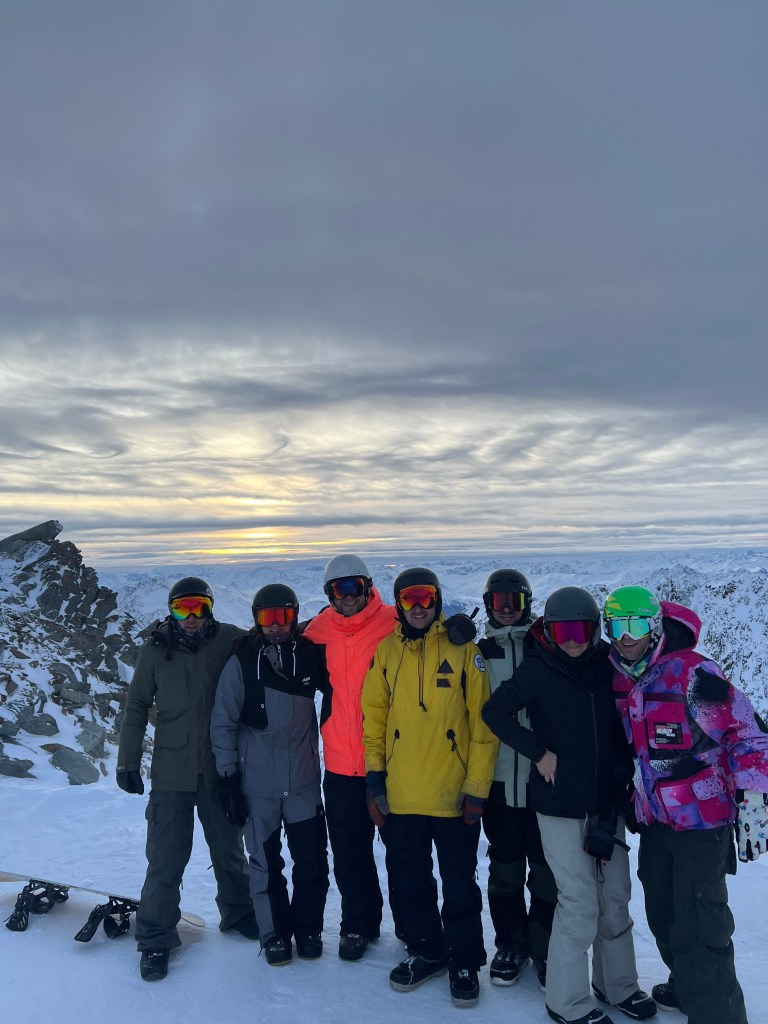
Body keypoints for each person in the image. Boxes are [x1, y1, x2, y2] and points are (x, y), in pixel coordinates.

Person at [483, 586, 656, 1024]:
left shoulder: (607, 665)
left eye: (581, 630)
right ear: (550, 632)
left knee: (614, 898)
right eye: (563, 632)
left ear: (595, 629)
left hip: (606, 803)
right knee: (578, 902)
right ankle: (567, 1002)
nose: (573, 641)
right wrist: (537, 753)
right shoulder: (538, 668)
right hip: (558, 806)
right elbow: (495, 712)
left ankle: (617, 985)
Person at [603, 586, 768, 1024]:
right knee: (663, 913)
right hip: (656, 820)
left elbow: (748, 734)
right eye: (617, 626)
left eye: (637, 624)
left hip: (703, 823)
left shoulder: (692, 674)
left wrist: (753, 797)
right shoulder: (619, 677)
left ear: (655, 626)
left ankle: (718, 1013)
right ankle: (687, 984)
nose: (626, 636)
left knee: (701, 922)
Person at [362, 567, 498, 1008]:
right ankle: (426, 950)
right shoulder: (387, 652)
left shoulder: (463, 651)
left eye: (425, 598)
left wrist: (477, 787)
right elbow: (374, 719)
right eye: (409, 599)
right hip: (402, 793)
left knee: (459, 883)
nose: (418, 608)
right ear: (398, 604)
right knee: (411, 880)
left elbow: (484, 727)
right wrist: (375, 777)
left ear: (437, 600)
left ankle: (464, 960)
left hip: (453, 794)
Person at [116, 576, 256, 982]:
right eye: (182, 608)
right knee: (166, 858)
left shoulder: (230, 640)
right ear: (171, 611)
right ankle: (155, 937)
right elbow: (137, 705)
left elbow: (273, 634)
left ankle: (239, 913)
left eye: (198, 607)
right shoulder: (155, 649)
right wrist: (127, 762)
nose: (191, 617)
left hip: (219, 768)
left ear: (209, 608)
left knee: (229, 850)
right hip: (170, 771)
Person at [211, 583, 330, 966]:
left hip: (303, 782)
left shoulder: (310, 654)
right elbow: (223, 722)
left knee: (311, 861)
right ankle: (274, 933)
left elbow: (351, 658)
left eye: (283, 616)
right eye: (267, 617)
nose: (276, 625)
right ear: (256, 619)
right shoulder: (242, 661)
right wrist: (228, 780)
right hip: (258, 785)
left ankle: (308, 929)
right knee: (265, 865)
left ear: (294, 617)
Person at [301, 554, 397, 961]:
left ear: (368, 586)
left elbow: (432, 632)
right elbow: (278, 643)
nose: (349, 596)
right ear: (329, 593)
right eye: (339, 589)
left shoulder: (393, 621)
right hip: (341, 764)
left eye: (355, 586)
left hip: (390, 762)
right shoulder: (317, 631)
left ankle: (415, 928)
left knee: (403, 852)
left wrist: (458, 629)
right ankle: (359, 924)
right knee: (349, 853)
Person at [476, 568, 557, 992]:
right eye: (498, 602)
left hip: (543, 781)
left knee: (546, 872)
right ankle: (510, 944)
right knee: (504, 870)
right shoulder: (477, 653)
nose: (506, 610)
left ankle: (544, 948)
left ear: (527, 604)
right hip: (497, 782)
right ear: (487, 606)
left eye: (514, 601)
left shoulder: (544, 647)